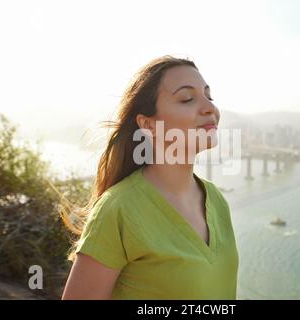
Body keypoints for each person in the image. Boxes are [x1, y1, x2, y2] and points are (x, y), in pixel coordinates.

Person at [61, 55, 239, 299]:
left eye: (209, 96)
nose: (210, 108)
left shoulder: (217, 201)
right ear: (148, 124)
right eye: (187, 98)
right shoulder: (118, 209)